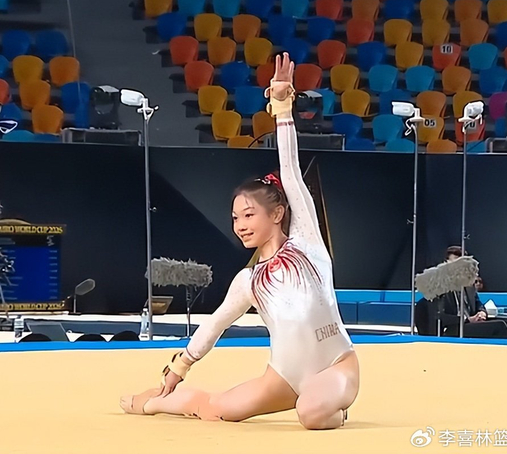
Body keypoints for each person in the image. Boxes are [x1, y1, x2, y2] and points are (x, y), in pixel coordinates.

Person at [120, 53, 359, 430]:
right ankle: (156, 402)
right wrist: (177, 368)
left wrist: (282, 106)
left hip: (336, 365)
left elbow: (291, 172)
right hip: (284, 376)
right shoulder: (248, 281)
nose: (241, 226)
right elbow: (214, 325)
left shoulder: (307, 244)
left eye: (249, 215)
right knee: (219, 410)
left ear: (277, 214)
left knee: (312, 413)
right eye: (235, 218)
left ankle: (333, 407)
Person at [438, 246, 507, 338]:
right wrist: (467, 319)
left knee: (506, 324)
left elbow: (479, 304)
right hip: (453, 328)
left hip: (469, 325)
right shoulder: (440, 286)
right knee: (499, 327)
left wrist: (482, 313)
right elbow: (440, 316)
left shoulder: (469, 284)